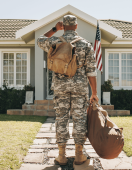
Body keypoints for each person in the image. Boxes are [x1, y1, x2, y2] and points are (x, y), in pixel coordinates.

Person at [37, 15, 99, 165]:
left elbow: (39, 39)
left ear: (63, 26)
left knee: (61, 119)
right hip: (79, 89)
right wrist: (94, 93)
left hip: (60, 88)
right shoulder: (85, 44)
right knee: (80, 119)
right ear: (76, 26)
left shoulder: (54, 42)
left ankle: (62, 155)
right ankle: (79, 154)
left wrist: (54, 29)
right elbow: (91, 71)